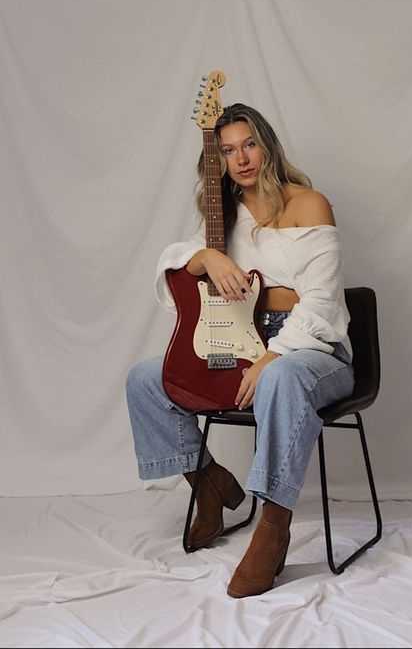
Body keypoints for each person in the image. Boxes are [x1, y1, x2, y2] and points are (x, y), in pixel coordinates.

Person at [126, 103, 354, 598]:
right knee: (145, 378)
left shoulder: (309, 203)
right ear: (218, 160)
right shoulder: (224, 217)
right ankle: (207, 482)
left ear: (266, 145)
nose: (241, 158)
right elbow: (174, 269)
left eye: (248, 144)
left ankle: (273, 525)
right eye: (228, 150)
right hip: (248, 341)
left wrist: (277, 354)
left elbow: (321, 302)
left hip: (315, 350)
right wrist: (204, 255)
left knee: (281, 377)